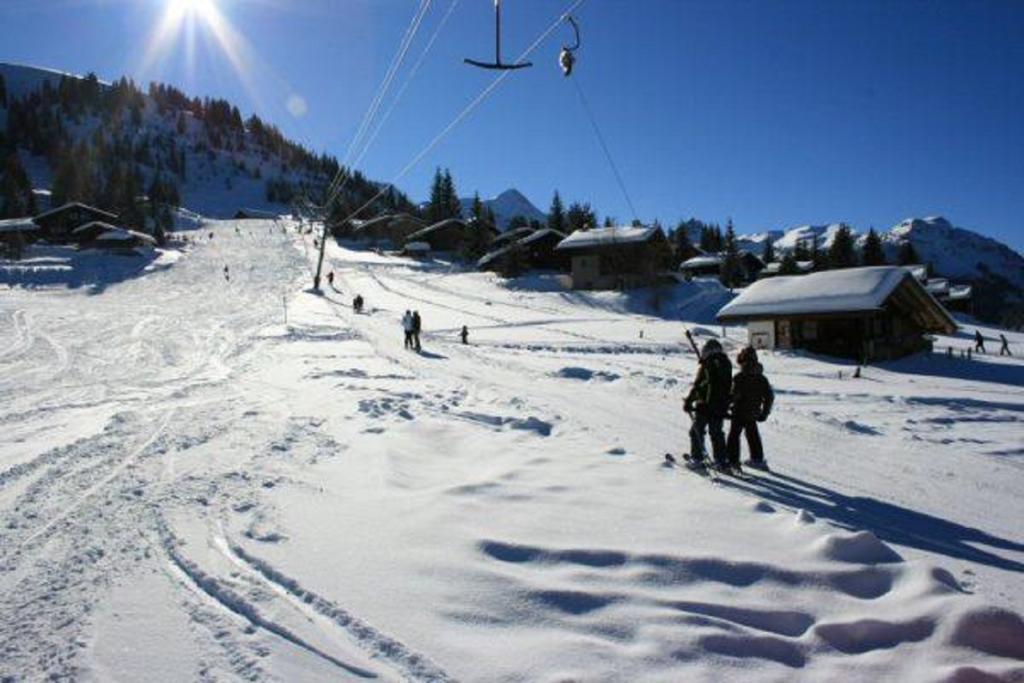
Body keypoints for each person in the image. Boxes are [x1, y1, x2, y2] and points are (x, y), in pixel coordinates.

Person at [683, 339, 732, 471]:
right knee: (716, 432)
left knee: (696, 431)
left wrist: (689, 400)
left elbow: (699, 385)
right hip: (721, 405)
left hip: (704, 405)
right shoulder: (726, 363)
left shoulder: (707, 365)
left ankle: (697, 458)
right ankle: (721, 460)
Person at [727, 347, 775, 472]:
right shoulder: (762, 378)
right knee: (752, 434)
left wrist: (727, 404)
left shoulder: (739, 377)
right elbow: (769, 396)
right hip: (753, 412)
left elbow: (735, 395)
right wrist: (764, 412)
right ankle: (757, 459)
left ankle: (733, 461)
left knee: (734, 436)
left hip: (739, 411)